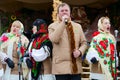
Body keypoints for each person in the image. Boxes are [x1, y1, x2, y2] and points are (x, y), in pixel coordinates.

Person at [48, 3, 88, 80]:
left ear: (70, 13)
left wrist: (80, 51)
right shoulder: (52, 26)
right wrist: (63, 23)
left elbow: (84, 43)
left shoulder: (78, 26)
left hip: (75, 68)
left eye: (66, 10)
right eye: (62, 11)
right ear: (58, 13)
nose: (64, 12)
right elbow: (54, 39)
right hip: (60, 69)